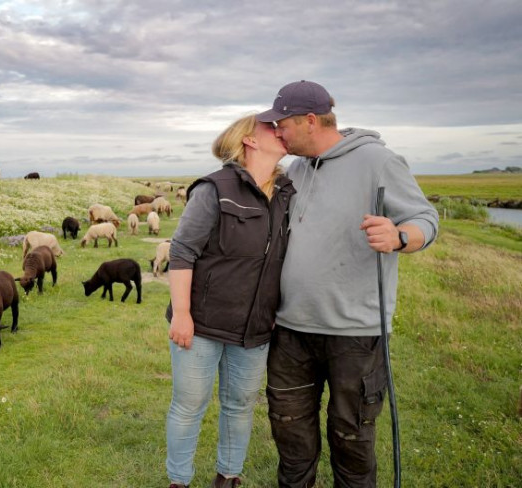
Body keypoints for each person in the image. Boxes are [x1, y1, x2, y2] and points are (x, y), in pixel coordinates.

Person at [255, 80, 439, 488]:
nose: (277, 131)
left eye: (282, 123)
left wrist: (400, 236)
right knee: (289, 434)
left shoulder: (378, 161)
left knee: (351, 438)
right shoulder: (296, 169)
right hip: (290, 331)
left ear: (309, 120)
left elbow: (426, 219)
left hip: (355, 334)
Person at [165, 114, 295, 488]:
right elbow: (182, 251)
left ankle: (228, 477)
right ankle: (179, 481)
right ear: (249, 140)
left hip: (254, 327)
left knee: (239, 405)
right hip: (202, 324)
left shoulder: (287, 193)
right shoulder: (214, 189)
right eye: (271, 127)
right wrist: (182, 314)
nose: (280, 130)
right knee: (189, 406)